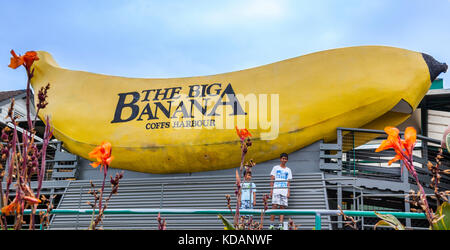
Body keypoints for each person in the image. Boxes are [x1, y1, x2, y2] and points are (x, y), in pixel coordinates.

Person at [269, 152, 292, 230]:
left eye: (285, 159)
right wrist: (271, 190)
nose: (284, 160)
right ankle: (271, 225)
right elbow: (272, 179)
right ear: (280, 159)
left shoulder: (288, 170)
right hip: (276, 190)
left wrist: (288, 191)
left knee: (282, 207)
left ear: (287, 160)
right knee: (274, 206)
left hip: (284, 191)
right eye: (283, 158)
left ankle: (280, 225)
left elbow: (288, 182)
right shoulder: (276, 168)